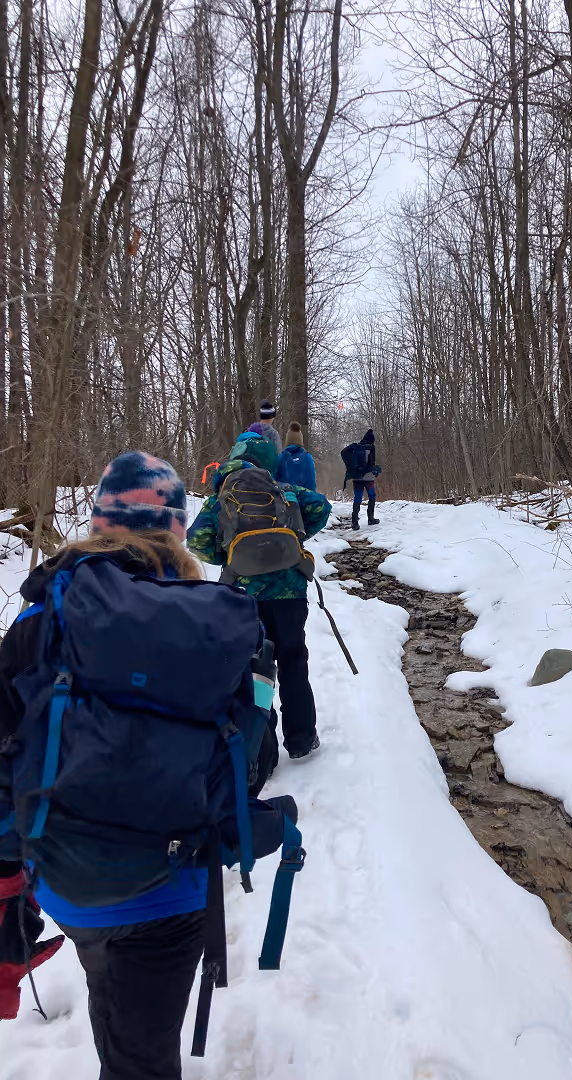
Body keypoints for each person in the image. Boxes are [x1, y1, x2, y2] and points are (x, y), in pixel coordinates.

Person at [0, 451, 296, 1080]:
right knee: (144, 1052)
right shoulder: (213, 624)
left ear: (101, 523)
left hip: (66, 877)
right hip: (175, 888)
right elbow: (252, 765)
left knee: (112, 1001)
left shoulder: (42, 614)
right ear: (179, 529)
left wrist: (10, 878)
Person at [188, 432, 330, 761]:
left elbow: (195, 541)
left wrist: (227, 555)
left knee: (253, 669)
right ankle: (301, 740)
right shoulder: (283, 490)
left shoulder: (219, 498)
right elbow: (322, 508)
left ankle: (260, 745)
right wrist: (291, 539)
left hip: (243, 596)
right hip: (290, 592)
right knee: (294, 662)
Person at [342, 429, 381, 531]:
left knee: (358, 497)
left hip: (356, 477)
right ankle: (371, 518)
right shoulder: (371, 448)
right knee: (372, 496)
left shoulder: (355, 447)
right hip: (368, 478)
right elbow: (371, 463)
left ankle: (354, 523)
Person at [276, 422, 317, 491]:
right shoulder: (307, 457)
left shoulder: (281, 457)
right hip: (304, 498)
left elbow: (276, 481)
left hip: (286, 498)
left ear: (288, 440)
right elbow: (311, 481)